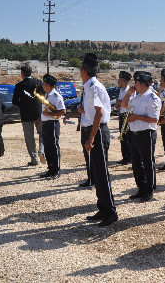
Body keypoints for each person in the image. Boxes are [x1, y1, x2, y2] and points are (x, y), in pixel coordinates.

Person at [74, 54, 117, 226]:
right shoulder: (90, 86)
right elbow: (93, 111)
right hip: (92, 130)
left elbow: (99, 113)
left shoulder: (94, 87)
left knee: (102, 174)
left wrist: (91, 138)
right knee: (96, 174)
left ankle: (111, 212)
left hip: (97, 132)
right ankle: (102, 208)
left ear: (83, 70)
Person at [122, 71, 160, 201]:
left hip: (146, 134)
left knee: (148, 163)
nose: (134, 85)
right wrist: (128, 94)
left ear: (143, 84)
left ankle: (149, 190)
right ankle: (141, 188)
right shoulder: (136, 97)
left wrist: (137, 117)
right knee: (136, 163)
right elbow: (124, 105)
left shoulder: (153, 98)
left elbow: (154, 119)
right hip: (135, 133)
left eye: (136, 83)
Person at [12, 65, 44, 166]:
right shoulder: (38, 83)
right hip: (38, 113)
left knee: (29, 138)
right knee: (42, 134)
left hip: (25, 114)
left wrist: (23, 105)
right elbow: (44, 97)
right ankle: (42, 151)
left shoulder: (18, 86)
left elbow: (15, 101)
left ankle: (34, 159)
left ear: (22, 74)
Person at [38, 74, 66, 179]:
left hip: (53, 124)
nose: (42, 85)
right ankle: (50, 168)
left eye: (44, 83)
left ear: (47, 85)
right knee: (48, 147)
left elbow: (63, 111)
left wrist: (48, 114)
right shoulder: (47, 95)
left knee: (54, 147)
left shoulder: (55, 96)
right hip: (46, 124)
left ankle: (56, 170)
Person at [115, 71, 133, 165]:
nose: (118, 81)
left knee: (127, 137)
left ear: (124, 81)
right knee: (122, 136)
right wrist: (118, 105)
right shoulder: (121, 90)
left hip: (127, 115)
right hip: (122, 114)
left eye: (120, 80)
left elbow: (128, 105)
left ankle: (129, 157)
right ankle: (124, 156)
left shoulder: (129, 91)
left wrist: (120, 102)